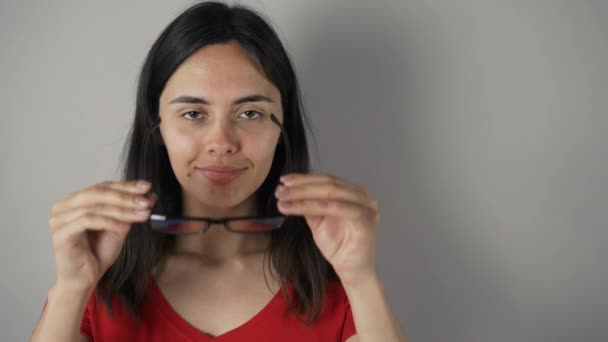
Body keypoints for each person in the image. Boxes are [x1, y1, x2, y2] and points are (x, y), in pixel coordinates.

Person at [30, 2, 407, 341]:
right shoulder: (94, 287)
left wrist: (362, 278)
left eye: (250, 113)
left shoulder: (340, 290)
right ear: (158, 127)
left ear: (282, 129)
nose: (222, 142)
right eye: (193, 114)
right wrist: (71, 286)